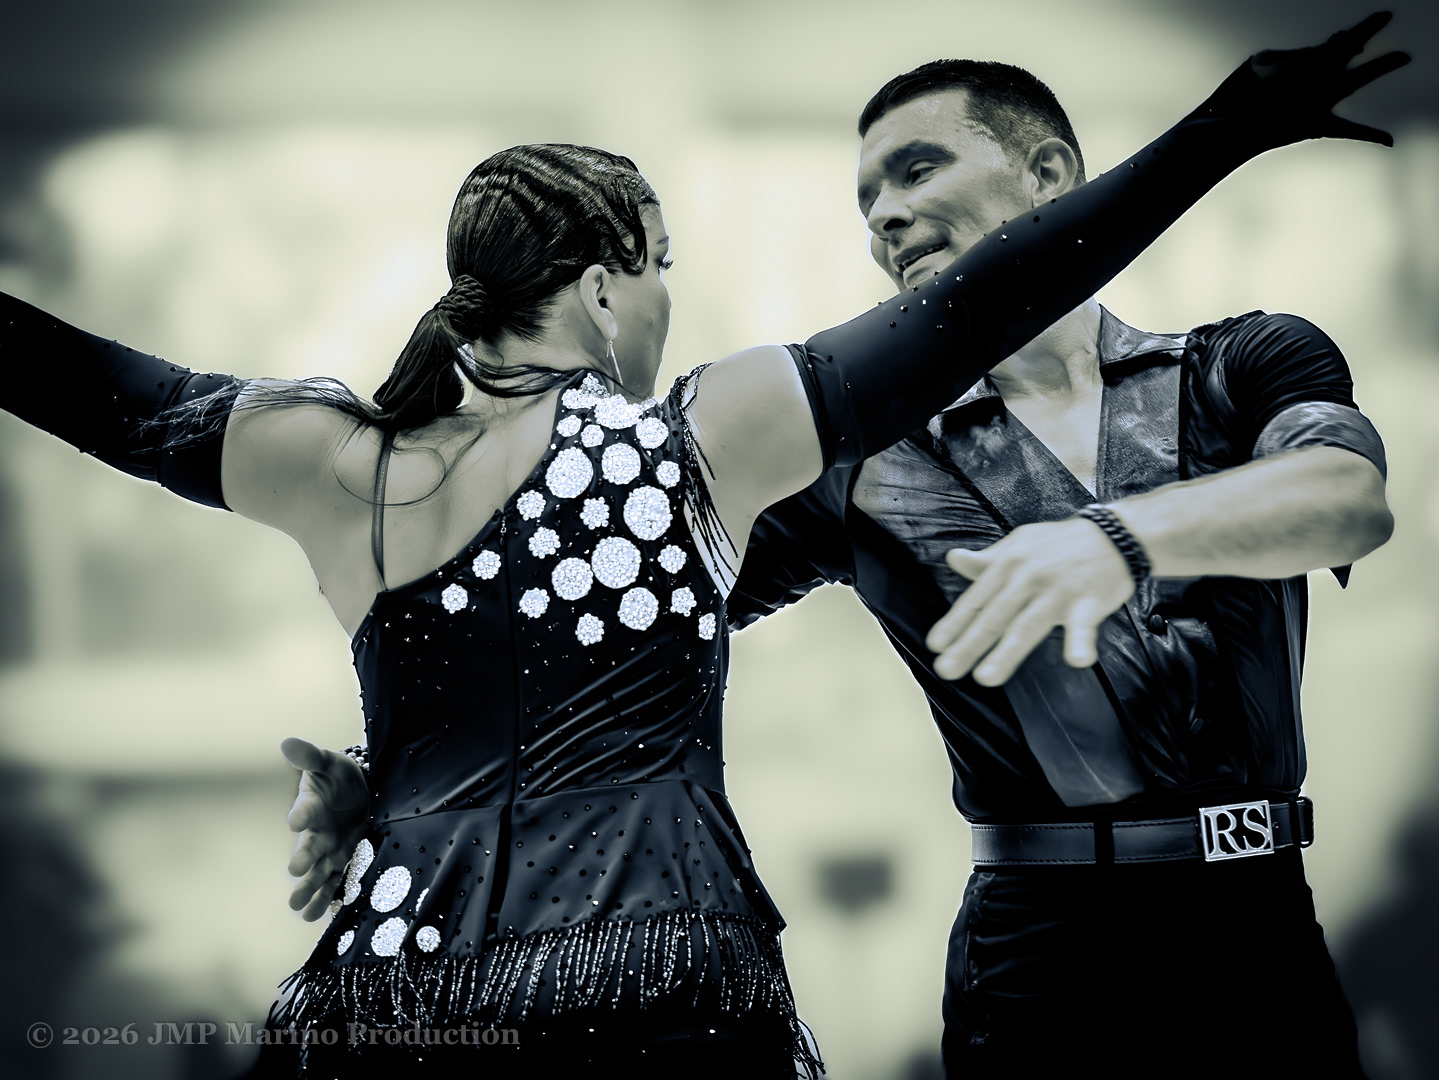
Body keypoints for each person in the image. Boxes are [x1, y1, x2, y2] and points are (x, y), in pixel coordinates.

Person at [5, 15, 1404, 1080]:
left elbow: (1346, 496)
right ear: (608, 287)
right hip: (867, 958)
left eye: (918, 169)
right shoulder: (769, 453)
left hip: (1247, 921)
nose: (885, 217)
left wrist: (1116, 539)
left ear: (1046, 168)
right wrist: (1229, 127)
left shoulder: (1238, 365)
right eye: (866, 198)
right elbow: (603, 642)